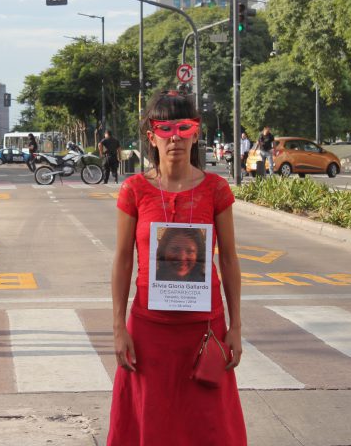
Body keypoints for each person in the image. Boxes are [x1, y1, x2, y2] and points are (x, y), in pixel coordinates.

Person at [109, 92, 245, 445]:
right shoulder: (135, 190)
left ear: (196, 134)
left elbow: (228, 259)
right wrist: (118, 327)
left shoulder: (215, 189)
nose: (175, 137)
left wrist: (236, 326)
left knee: (209, 428)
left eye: (184, 127)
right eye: (164, 128)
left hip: (204, 330)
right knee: (151, 425)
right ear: (150, 136)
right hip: (149, 333)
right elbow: (123, 259)